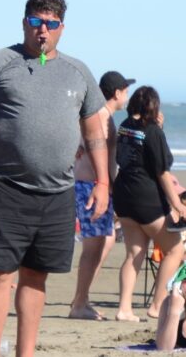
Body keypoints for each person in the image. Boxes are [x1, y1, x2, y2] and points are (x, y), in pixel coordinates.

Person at [0, 0, 109, 357]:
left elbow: (94, 132)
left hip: (58, 192)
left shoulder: (78, 71)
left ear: (61, 28)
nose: (44, 30)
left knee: (37, 275)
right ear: (25, 23)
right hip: (5, 187)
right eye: (37, 22)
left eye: (51, 24)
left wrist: (102, 181)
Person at [114, 86, 186, 322]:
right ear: (154, 107)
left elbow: (135, 153)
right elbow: (161, 170)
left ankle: (124, 309)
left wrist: (158, 128)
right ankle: (158, 304)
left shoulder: (125, 126)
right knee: (174, 248)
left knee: (134, 253)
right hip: (145, 197)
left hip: (123, 194)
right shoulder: (152, 131)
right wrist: (177, 204)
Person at [68, 70, 132, 321]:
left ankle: (80, 298)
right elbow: (99, 157)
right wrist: (105, 185)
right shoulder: (102, 118)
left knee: (104, 241)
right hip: (92, 186)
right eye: (125, 91)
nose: (127, 96)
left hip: (93, 184)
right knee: (93, 247)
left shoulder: (99, 116)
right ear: (116, 93)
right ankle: (79, 303)